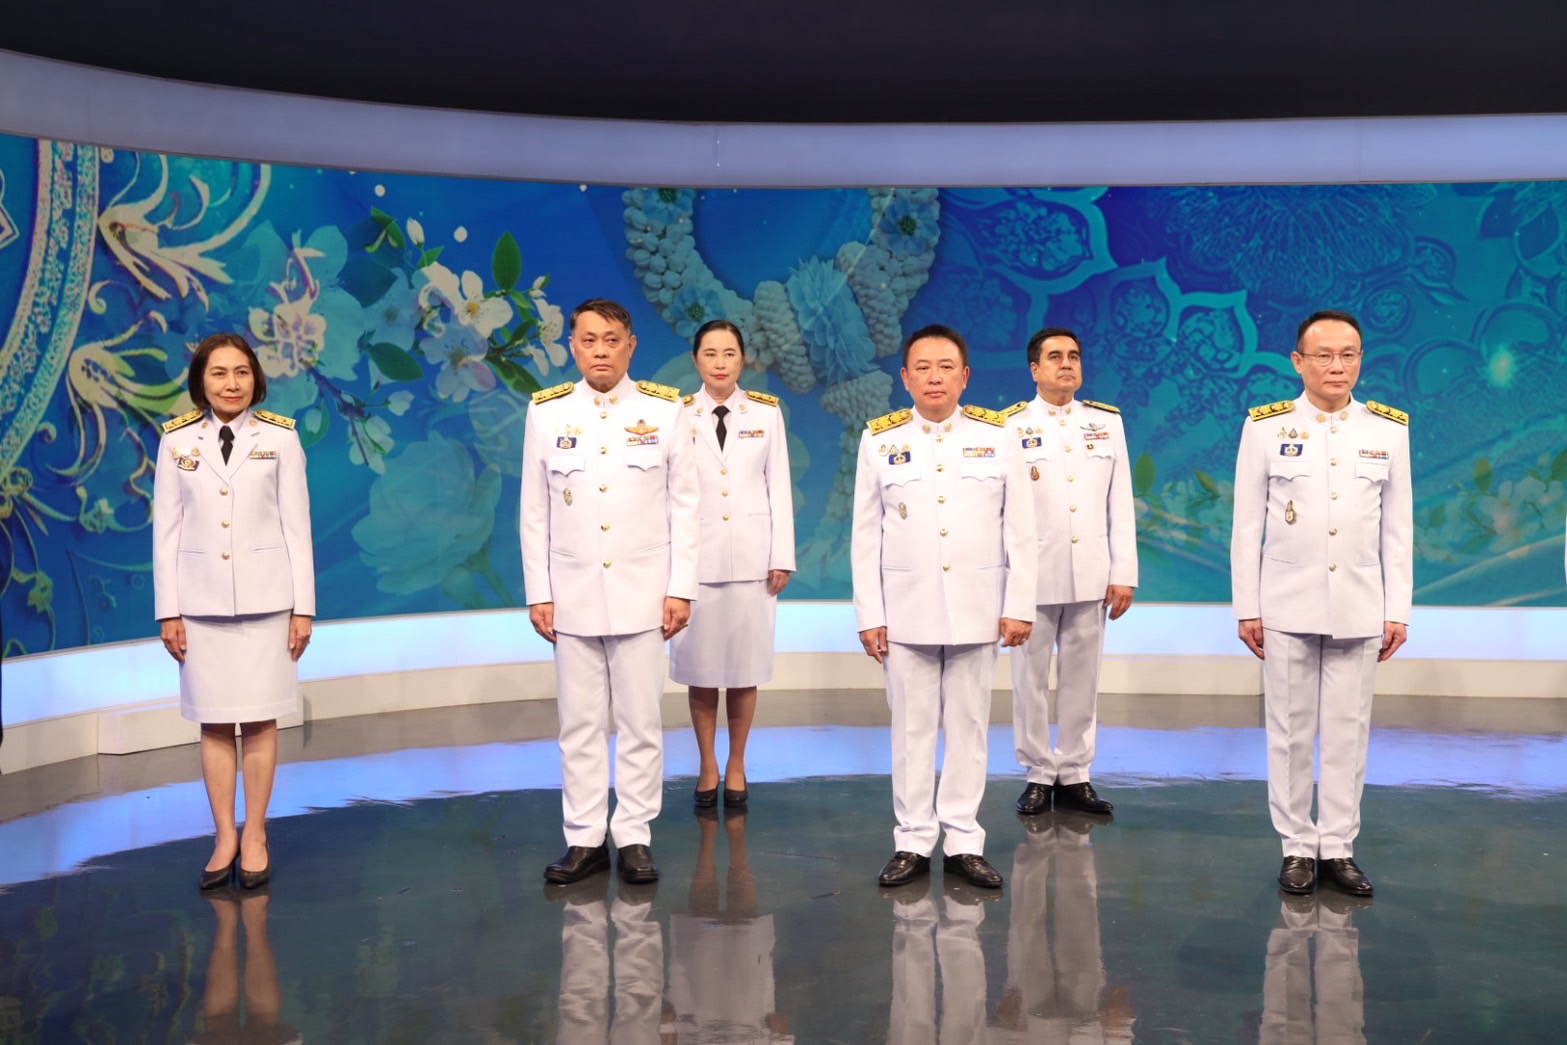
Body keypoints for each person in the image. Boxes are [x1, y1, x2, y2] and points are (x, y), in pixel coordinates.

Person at [1230, 309, 1412, 897]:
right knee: (1288, 731)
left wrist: (1397, 609)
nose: (1338, 366)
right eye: (1325, 355)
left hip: (1360, 604)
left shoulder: (1388, 430)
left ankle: (1337, 846)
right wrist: (1247, 606)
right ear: (1298, 362)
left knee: (1348, 732)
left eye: (1349, 354)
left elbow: (1398, 530)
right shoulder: (1265, 427)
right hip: (1286, 604)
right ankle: (1296, 847)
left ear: (1361, 359)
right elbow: (1245, 527)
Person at [852, 324, 1036, 890]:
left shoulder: (999, 435)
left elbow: (1020, 530)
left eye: (946, 367)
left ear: (965, 376)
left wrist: (1019, 604)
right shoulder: (879, 439)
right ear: (905, 378)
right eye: (923, 368)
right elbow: (865, 535)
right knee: (910, 731)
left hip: (978, 608)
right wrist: (870, 614)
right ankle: (912, 839)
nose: (935, 377)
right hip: (905, 612)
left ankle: (962, 840)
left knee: (969, 727)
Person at [523, 298, 699, 885]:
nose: (601, 350)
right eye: (589, 340)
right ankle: (584, 837)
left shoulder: (665, 411)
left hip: (644, 594)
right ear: (572, 346)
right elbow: (534, 511)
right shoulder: (547, 412)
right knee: (578, 725)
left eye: (612, 340)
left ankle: (634, 836)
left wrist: (680, 588)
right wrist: (539, 591)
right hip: (570, 594)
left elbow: (685, 507)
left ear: (631, 346)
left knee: (641, 722)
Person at [153, 332, 315, 892]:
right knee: (215, 720)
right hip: (199, 605)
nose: (231, 383)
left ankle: (257, 834)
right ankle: (224, 835)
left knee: (261, 719)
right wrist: (168, 611)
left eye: (241, 372)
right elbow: (166, 533)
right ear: (201, 380)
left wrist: (303, 609)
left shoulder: (281, 439)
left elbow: (298, 528)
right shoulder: (176, 442)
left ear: (256, 378)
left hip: (269, 603)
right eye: (219, 373)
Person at [1007, 328, 1137, 818]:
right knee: (1030, 682)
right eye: (1055, 357)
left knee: (1083, 680)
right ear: (1034, 369)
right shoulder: (1010, 425)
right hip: (1033, 576)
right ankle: (1039, 773)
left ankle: (1076, 772)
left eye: (1074, 356)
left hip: (1091, 574)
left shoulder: (1106, 423)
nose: (1067, 364)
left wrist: (1124, 571)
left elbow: (1121, 503)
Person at [669, 319, 795, 809]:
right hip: (695, 562)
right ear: (696, 360)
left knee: (745, 671)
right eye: (710, 353)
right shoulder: (677, 414)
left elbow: (778, 485)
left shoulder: (766, 412)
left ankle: (737, 764)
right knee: (700, 671)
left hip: (751, 559)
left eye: (729, 353)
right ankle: (707, 765)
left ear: (743, 359)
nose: (720, 363)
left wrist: (781, 555)